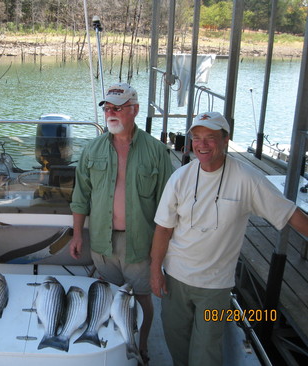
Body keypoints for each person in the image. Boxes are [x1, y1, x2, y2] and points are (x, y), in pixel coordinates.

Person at [150, 111, 308, 365]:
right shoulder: (180, 177)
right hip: (176, 279)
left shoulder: (248, 179)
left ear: (226, 140)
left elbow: (290, 213)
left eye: (210, 138)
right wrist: (156, 270)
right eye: (196, 138)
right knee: (176, 344)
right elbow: (163, 229)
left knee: (205, 355)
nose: (201, 144)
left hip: (215, 287)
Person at [69, 82, 174, 363]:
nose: (111, 113)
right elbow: (81, 196)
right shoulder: (91, 150)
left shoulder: (157, 151)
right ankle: (112, 348)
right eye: (108, 108)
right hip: (102, 241)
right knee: (108, 297)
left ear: (135, 110)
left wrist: (159, 256)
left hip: (140, 242)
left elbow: (168, 207)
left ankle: (140, 346)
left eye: (119, 108)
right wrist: (78, 234)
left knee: (141, 298)